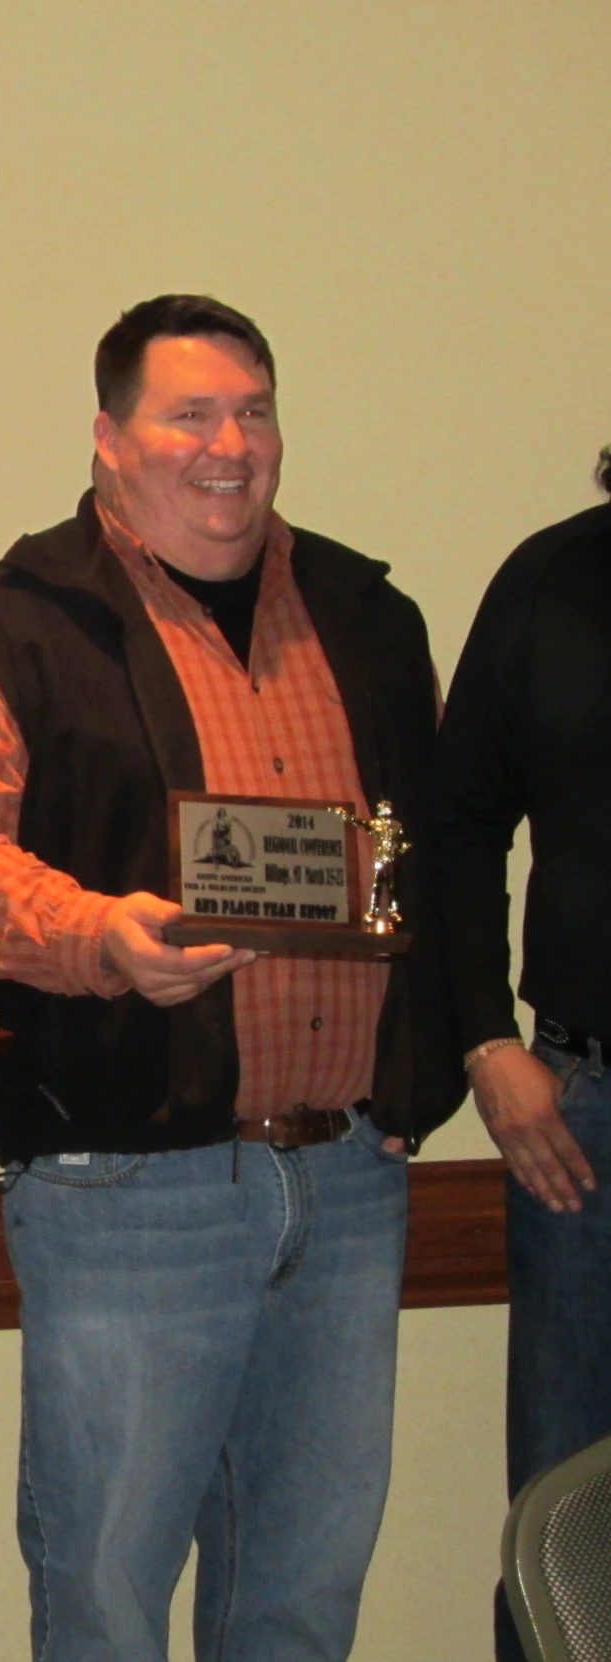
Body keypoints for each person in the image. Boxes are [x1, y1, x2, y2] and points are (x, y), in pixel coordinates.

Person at [0, 294, 462, 1662]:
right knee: (105, 1597)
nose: (229, 445)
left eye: (252, 412)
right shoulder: (15, 619)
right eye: (189, 413)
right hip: (127, 1188)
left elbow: (438, 856)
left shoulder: (369, 615)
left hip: (349, 1179)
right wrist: (97, 939)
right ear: (109, 437)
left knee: (305, 1594)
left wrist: (424, 1070)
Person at [434, 447, 611, 1662]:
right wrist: (485, 1041)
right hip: (582, 1122)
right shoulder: (550, 582)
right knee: (562, 1510)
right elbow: (452, 827)